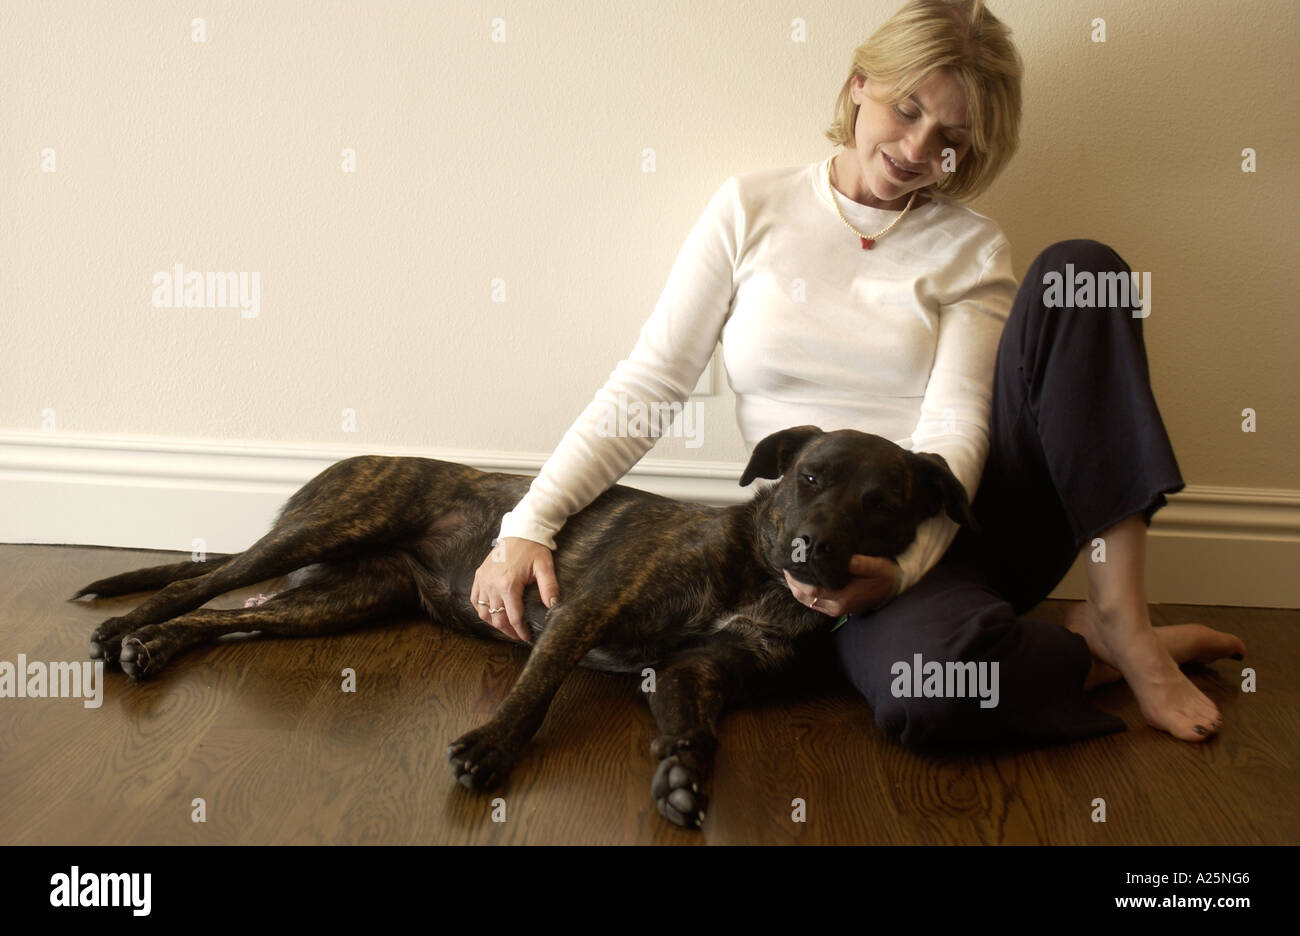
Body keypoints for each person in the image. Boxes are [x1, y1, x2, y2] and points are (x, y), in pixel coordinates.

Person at [469, 0, 1244, 746]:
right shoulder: (751, 207)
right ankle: (1083, 654)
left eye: (952, 138)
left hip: (957, 521)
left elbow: (955, 423)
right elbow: (652, 381)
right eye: (908, 110)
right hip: (820, 548)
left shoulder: (970, 247)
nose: (919, 150)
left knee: (1084, 273)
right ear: (859, 84)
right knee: (927, 694)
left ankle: (1123, 619)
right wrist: (529, 523)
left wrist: (904, 569)